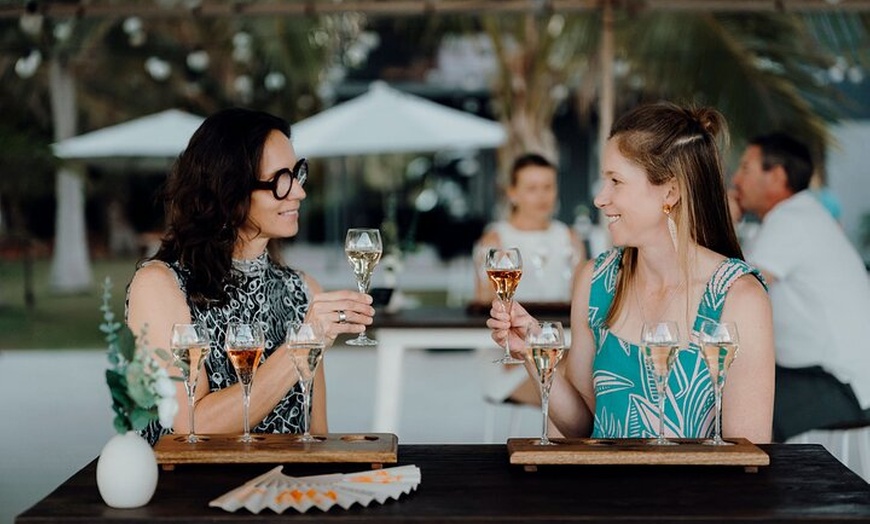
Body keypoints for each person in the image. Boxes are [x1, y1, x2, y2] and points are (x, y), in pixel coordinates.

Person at [487, 102, 775, 442]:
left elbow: (747, 454)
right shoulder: (595, 281)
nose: (599, 198)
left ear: (670, 190)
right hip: (602, 492)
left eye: (615, 181)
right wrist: (532, 352)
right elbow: (581, 425)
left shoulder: (738, 298)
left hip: (695, 496)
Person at [126, 108, 375, 445]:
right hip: (190, 493)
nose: (299, 192)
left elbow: (316, 438)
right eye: (280, 180)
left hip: (285, 493)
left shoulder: (304, 290)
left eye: (297, 174)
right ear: (230, 192)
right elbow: (187, 425)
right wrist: (302, 344)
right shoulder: (160, 285)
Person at [731, 133, 870, 442]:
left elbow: (731, 293)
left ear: (777, 176)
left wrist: (722, 222)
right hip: (830, 379)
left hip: (838, 383)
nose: (735, 179)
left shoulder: (790, 218)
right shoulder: (802, 215)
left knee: (735, 415)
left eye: (745, 168)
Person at [474, 153, 586, 407]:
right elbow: (483, 304)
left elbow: (581, 301)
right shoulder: (495, 241)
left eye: (548, 187)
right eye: (532, 188)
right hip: (510, 363)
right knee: (583, 386)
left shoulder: (569, 238)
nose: (542, 196)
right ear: (513, 193)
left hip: (562, 349)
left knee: (586, 374)